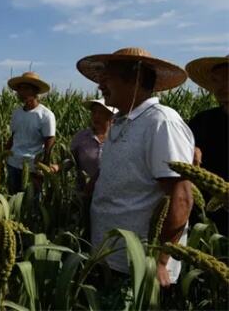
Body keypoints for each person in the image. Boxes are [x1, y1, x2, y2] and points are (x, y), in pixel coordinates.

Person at [77, 47, 194, 288]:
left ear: (137, 78)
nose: (100, 85)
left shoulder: (161, 122)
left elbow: (180, 198)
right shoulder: (120, 121)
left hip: (139, 264)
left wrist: (160, 261)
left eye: (107, 77)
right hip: (108, 255)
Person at [186, 55, 228, 235]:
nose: (220, 87)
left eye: (228, 79)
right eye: (216, 81)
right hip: (205, 225)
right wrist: (189, 149)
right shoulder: (202, 121)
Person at [5, 72, 56, 194]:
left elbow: (49, 142)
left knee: (31, 204)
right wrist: (3, 155)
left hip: (32, 168)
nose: (21, 92)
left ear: (35, 91)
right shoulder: (16, 113)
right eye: (20, 88)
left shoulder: (45, 115)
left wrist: (44, 168)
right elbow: (13, 136)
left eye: (26, 88)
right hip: (13, 163)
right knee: (13, 200)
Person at [70, 98, 117, 196]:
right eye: (94, 112)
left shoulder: (119, 137)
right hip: (84, 193)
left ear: (110, 116)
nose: (96, 116)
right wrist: (58, 167)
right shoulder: (81, 136)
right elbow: (71, 160)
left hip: (112, 195)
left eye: (100, 113)